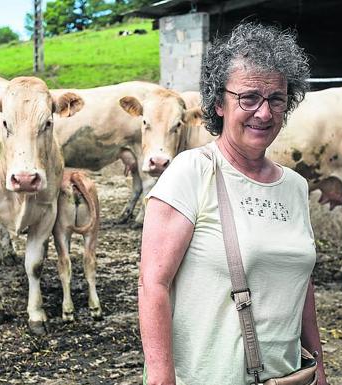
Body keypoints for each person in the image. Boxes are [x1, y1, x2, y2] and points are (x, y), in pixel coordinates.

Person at [138, 22, 327, 385]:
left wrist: (318, 366)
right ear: (218, 103)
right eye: (249, 97)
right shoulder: (191, 172)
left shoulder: (295, 187)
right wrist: (161, 377)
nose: (264, 113)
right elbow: (153, 284)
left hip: (285, 378)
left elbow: (301, 285)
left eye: (276, 99)